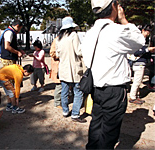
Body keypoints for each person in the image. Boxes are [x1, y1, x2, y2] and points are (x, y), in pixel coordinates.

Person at [81, 0, 145, 149]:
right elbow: (140, 41)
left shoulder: (89, 33)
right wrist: (124, 20)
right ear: (114, 7)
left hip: (96, 88)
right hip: (114, 90)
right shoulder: (116, 31)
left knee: (96, 124)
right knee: (109, 133)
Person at [56, 16, 86, 123]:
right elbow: (79, 51)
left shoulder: (59, 38)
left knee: (64, 91)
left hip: (63, 69)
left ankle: (65, 111)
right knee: (78, 91)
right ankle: (75, 114)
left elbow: (57, 54)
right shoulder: (73, 35)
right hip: (74, 69)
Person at [129, 25, 155, 104]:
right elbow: (136, 52)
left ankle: (136, 95)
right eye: (147, 31)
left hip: (141, 63)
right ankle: (132, 97)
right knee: (137, 81)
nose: (148, 33)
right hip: (138, 63)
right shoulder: (138, 40)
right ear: (143, 30)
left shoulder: (142, 40)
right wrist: (147, 50)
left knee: (138, 81)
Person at [49, 37, 62, 109]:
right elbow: (52, 53)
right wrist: (62, 55)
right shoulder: (56, 40)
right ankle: (57, 102)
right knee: (59, 85)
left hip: (65, 65)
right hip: (58, 66)